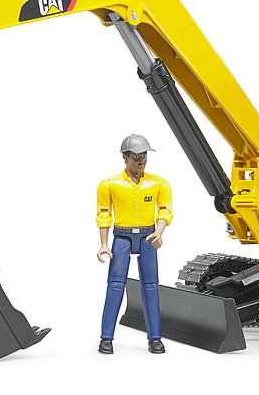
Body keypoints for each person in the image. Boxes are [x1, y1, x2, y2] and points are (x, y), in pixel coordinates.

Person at [96, 134, 172, 354]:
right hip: (122, 237)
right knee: (115, 286)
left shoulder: (158, 184)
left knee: (151, 287)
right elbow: (104, 214)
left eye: (144, 156)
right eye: (136, 157)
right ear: (125, 158)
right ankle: (106, 338)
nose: (141, 161)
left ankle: (155, 338)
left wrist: (159, 232)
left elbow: (165, 210)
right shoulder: (109, 185)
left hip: (148, 237)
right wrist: (103, 243)